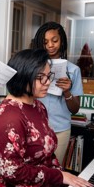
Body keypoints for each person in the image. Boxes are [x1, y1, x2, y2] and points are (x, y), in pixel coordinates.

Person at [0, 49, 94, 187]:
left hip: (39, 182)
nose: (48, 82)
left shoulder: (38, 106)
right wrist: (60, 177)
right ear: (24, 76)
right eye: (41, 77)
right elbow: (13, 172)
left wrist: (60, 175)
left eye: (49, 76)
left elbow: (47, 154)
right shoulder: (9, 117)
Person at [32, 21, 83, 164]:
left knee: (53, 171)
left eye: (55, 40)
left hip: (60, 130)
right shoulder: (33, 67)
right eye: (45, 42)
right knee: (33, 171)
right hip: (33, 127)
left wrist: (67, 91)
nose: (50, 45)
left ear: (62, 42)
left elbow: (75, 109)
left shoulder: (73, 70)